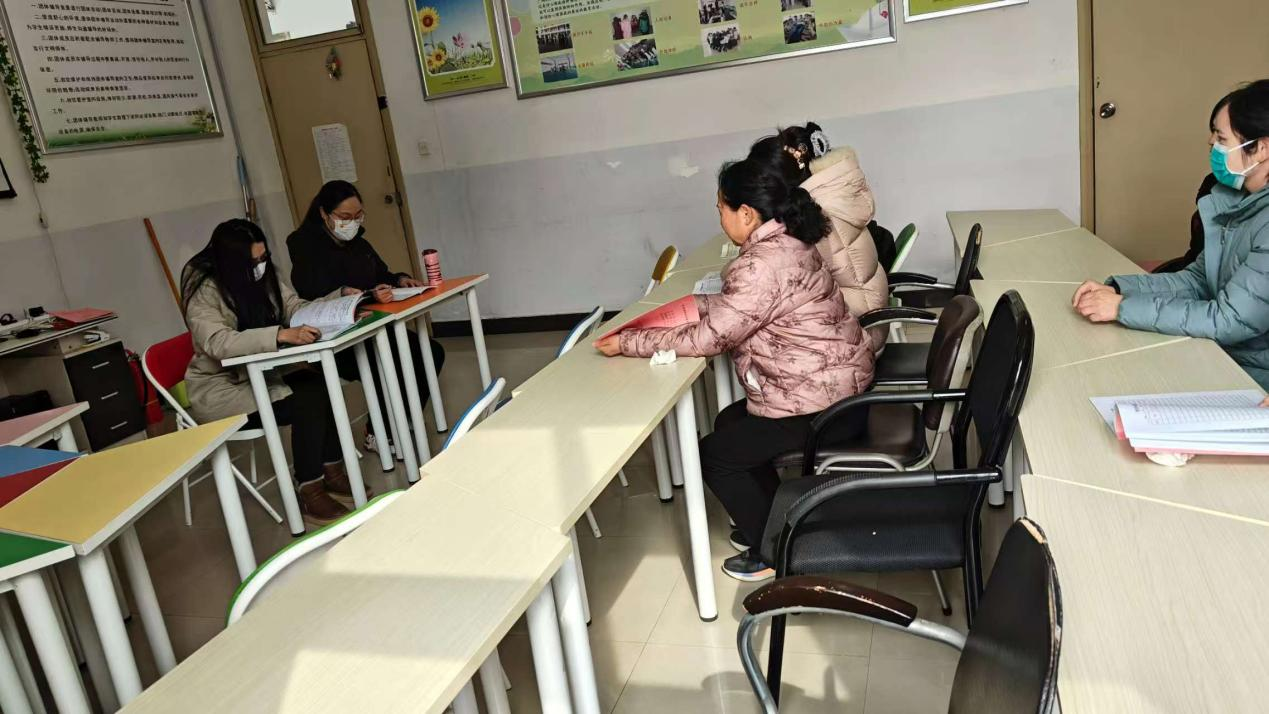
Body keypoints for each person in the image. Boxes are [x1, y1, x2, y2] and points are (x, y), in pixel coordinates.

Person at [594, 159, 875, 582]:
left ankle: (775, 552)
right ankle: (776, 522)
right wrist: (694, 306)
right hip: (836, 386)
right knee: (729, 421)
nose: (719, 217)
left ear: (746, 213)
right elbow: (746, 308)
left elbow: (710, 340)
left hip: (824, 406)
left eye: (720, 208)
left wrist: (629, 343)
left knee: (715, 455)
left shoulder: (761, 264)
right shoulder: (788, 242)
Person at [1073, 79, 1269, 388]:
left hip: (1251, 374)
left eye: (1221, 138)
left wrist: (1122, 309)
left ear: (1261, 149)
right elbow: (1197, 280)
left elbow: (1228, 320)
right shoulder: (1239, 203)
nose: (1211, 144)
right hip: (1224, 354)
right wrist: (1119, 290)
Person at [182, 219, 356, 525]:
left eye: (264, 258)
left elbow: (293, 307)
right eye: (254, 261)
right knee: (306, 400)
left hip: (263, 373)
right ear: (232, 262)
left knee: (318, 383)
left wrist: (339, 299)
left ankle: (332, 470)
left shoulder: (261, 272)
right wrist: (279, 334)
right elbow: (218, 342)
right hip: (223, 388)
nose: (261, 266)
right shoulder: (205, 288)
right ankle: (310, 489)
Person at [287, 180, 446, 454]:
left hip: (373, 327)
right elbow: (312, 292)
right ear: (324, 213)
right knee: (388, 361)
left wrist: (400, 279)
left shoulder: (359, 243)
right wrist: (354, 293)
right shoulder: (305, 247)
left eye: (358, 215)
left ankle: (402, 419)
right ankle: (378, 431)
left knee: (430, 351)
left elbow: (381, 274)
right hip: (337, 337)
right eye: (345, 217)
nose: (353, 223)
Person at [747, 122, 889, 353]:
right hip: (867, 309)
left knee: (756, 329)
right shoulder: (832, 192)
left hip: (857, 331)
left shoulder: (813, 210)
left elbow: (785, 275)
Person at [1155, 94, 1232, 273]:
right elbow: (1198, 266)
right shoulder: (1212, 184)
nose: (1211, 141)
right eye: (1213, 131)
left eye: (1221, 137)